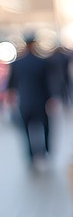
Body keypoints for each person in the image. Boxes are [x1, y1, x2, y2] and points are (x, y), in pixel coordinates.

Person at [6, 33, 55, 169]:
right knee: (45, 128)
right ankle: (45, 151)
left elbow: (11, 84)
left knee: (26, 132)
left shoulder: (17, 63)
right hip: (41, 101)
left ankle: (31, 156)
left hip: (25, 102)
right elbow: (48, 83)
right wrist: (51, 98)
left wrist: (11, 100)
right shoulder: (42, 62)